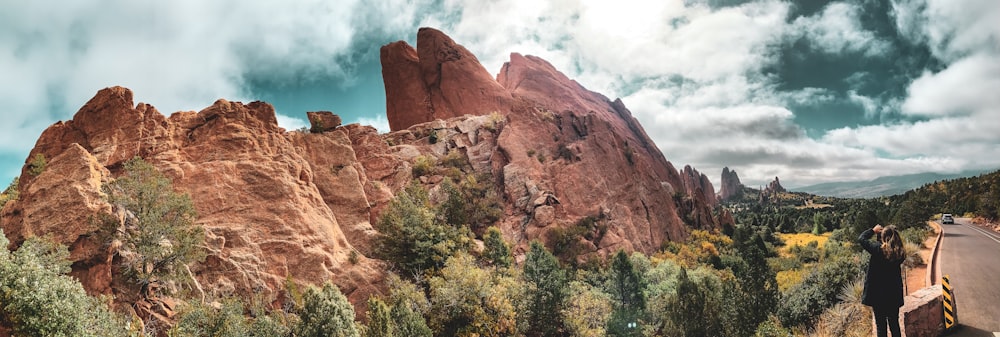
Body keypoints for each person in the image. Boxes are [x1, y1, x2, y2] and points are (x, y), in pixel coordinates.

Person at [858, 224, 905, 337]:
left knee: (881, 326)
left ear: (883, 238)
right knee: (894, 324)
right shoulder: (900, 253)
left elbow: (861, 239)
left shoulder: (878, 250)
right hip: (893, 295)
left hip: (878, 296)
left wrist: (873, 230)